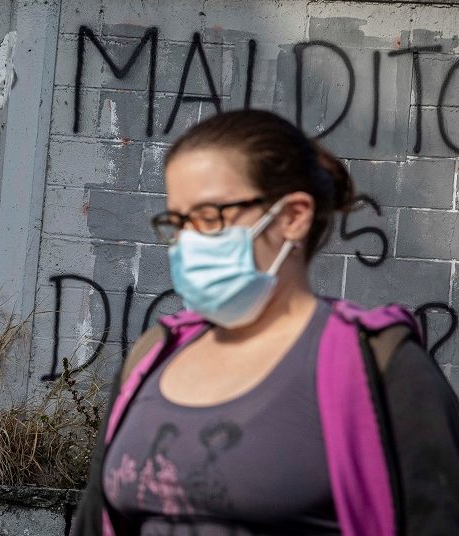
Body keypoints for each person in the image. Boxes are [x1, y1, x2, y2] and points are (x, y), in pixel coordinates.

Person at [71, 109, 459, 536]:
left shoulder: (380, 366)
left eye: (209, 217)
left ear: (293, 216)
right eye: (178, 222)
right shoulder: (153, 355)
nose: (186, 243)